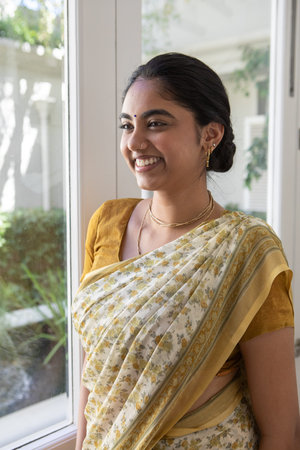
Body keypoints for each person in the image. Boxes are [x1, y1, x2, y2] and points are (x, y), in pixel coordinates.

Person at [73, 53, 300, 449]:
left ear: (210, 135)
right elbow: (96, 371)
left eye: (156, 123)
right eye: (127, 125)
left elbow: (281, 431)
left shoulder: (247, 250)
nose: (134, 142)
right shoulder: (108, 223)